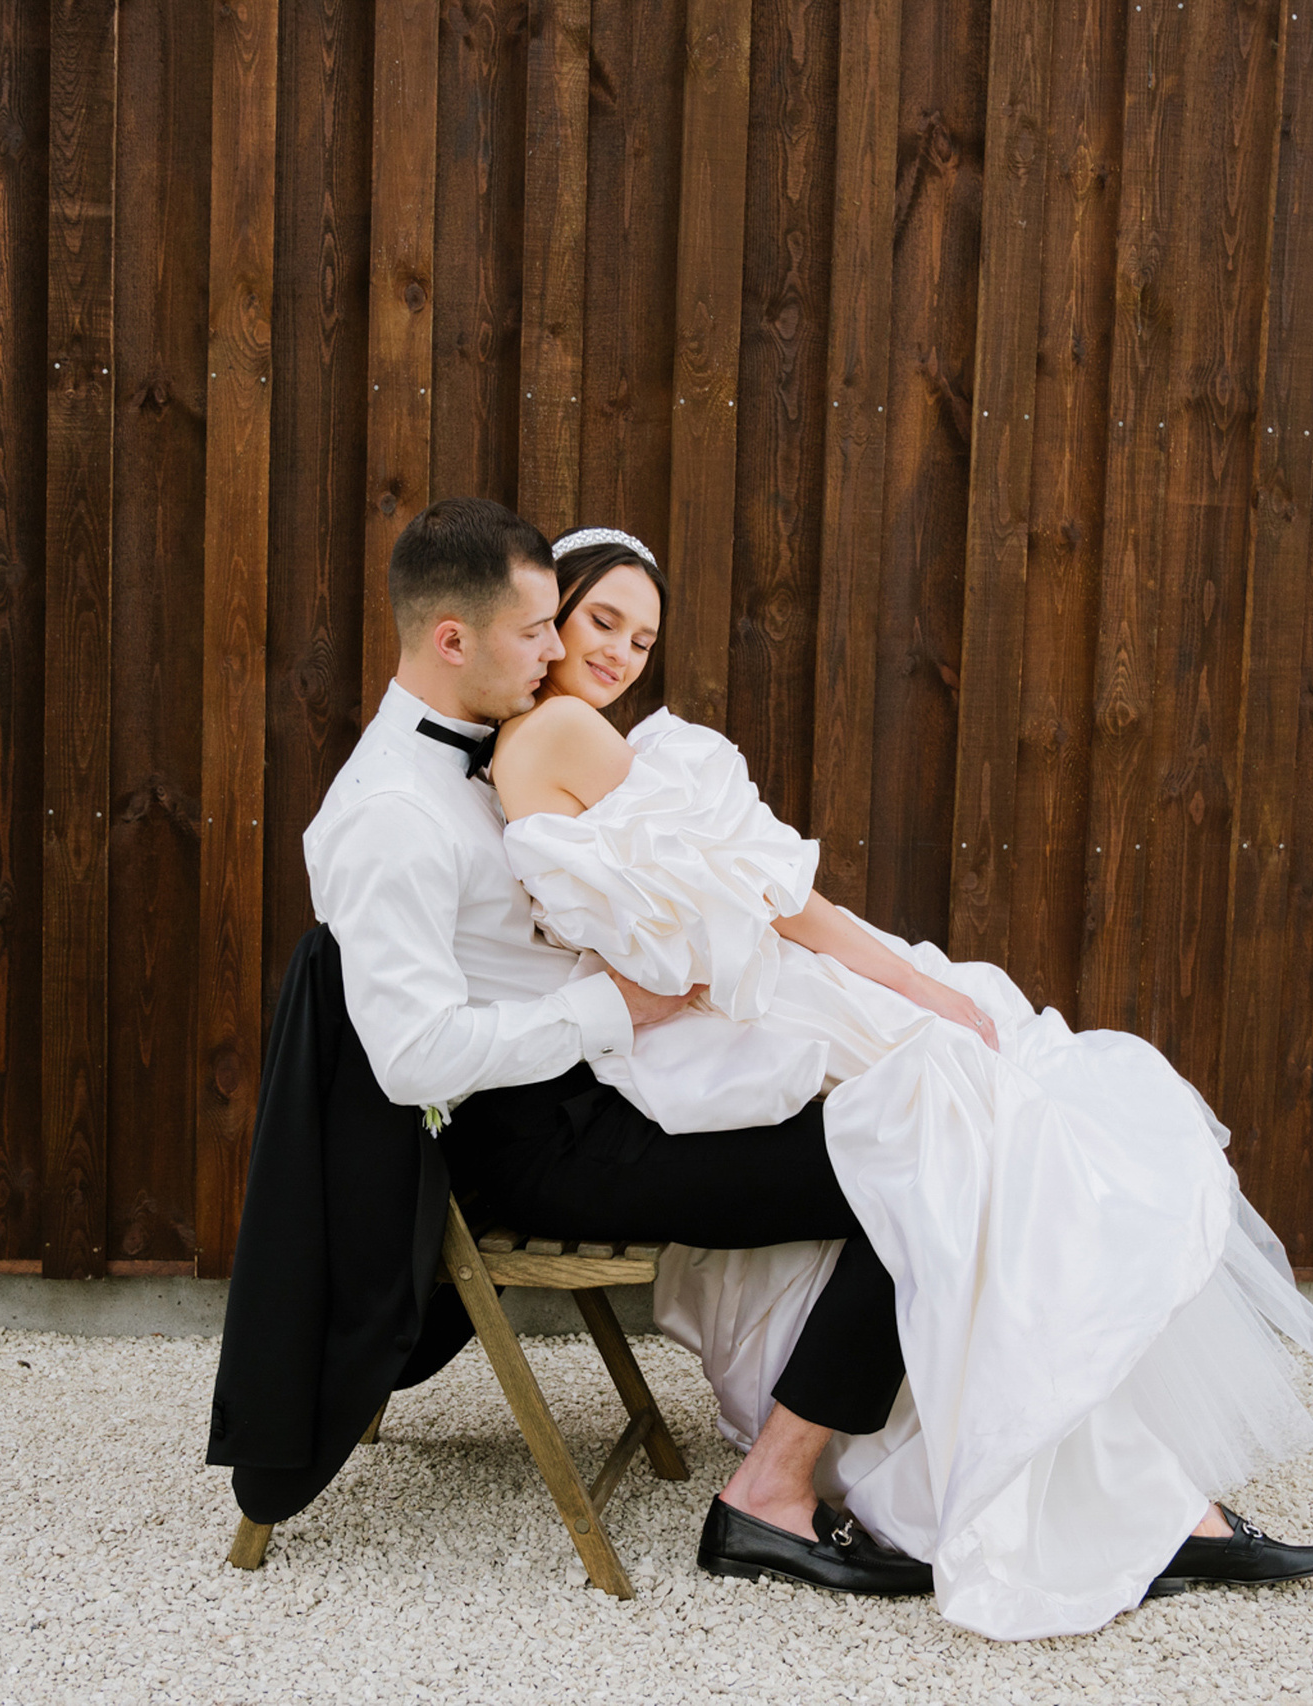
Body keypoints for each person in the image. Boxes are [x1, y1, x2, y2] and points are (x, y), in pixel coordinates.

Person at [485, 521, 1313, 1640]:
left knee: (994, 1137)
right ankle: (1119, 1497)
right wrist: (918, 987)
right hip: (714, 1026)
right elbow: (770, 899)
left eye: (642, 638)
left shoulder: (551, 739)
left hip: (694, 1031)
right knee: (983, 1127)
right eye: (601, 620)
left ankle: (1147, 1492)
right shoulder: (563, 731)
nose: (619, 654)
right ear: (550, 615)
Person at [301, 497, 930, 1597]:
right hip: (548, 1146)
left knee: (923, 1110)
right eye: (545, 627)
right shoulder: (391, 813)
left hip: (602, 1100)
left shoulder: (487, 754)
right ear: (455, 639)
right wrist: (616, 1008)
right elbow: (411, 1058)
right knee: (915, 1166)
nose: (564, 654)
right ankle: (769, 1497)